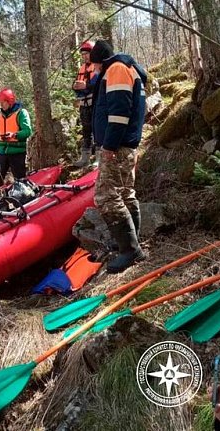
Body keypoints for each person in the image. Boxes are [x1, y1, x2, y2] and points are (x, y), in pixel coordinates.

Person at [89, 39, 147, 273]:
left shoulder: (116, 70)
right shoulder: (124, 69)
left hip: (118, 146)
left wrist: (109, 146)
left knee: (106, 196)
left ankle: (130, 250)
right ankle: (130, 241)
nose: (93, 70)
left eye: (93, 66)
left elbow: (119, 113)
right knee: (125, 192)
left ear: (100, 61)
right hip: (124, 144)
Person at [0, 88, 33, 186]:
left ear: (10, 101)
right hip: (2, 152)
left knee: (20, 180)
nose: (1, 105)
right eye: (0, 103)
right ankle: (1, 198)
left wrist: (14, 135)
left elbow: (28, 131)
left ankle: (24, 197)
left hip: (17, 152)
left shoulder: (21, 113)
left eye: (3, 102)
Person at [72, 41, 101, 166]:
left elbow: (98, 84)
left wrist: (86, 85)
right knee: (86, 130)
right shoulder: (82, 68)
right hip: (84, 104)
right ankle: (85, 158)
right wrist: (75, 87)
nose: (85, 56)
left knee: (98, 130)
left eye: (87, 54)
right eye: (83, 54)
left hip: (95, 103)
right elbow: (77, 84)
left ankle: (99, 157)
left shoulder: (97, 67)